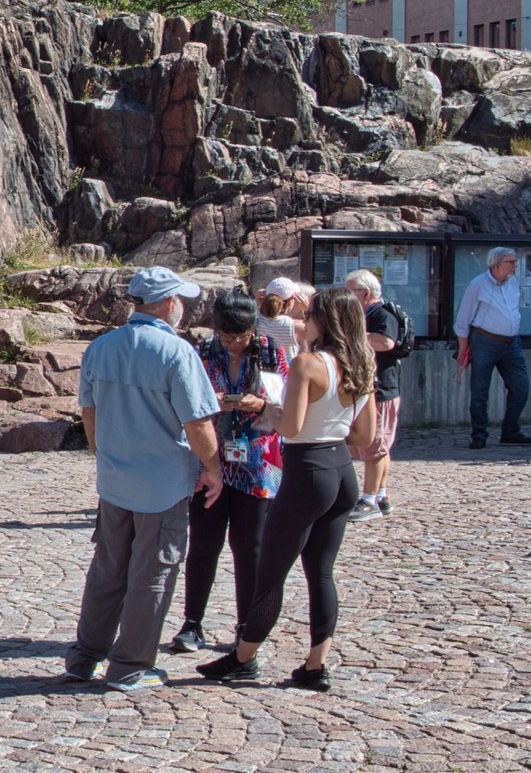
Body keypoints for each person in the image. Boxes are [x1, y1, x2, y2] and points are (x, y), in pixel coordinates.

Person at [198, 286, 376, 692]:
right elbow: (364, 435)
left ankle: (244, 657)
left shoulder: (308, 364)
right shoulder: (363, 363)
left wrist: (269, 409)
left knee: (271, 572)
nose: (303, 320)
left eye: (309, 313)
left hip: (307, 471)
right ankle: (316, 665)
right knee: (322, 573)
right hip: (340, 470)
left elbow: (290, 426)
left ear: (323, 320)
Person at [65, 267, 223, 692]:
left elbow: (89, 412)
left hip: (115, 480)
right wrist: (214, 468)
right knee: (153, 573)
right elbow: (198, 423)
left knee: (107, 569)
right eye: (181, 301)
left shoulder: (101, 347)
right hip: (163, 484)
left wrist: (105, 456)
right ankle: (130, 664)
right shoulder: (177, 353)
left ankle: (85, 657)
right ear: (169, 303)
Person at [169, 289, 286, 655]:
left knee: (249, 546)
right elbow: (185, 401)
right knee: (204, 542)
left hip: (258, 463)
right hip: (210, 459)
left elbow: (287, 405)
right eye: (228, 336)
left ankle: (247, 625)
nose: (235, 344)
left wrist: (262, 403)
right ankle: (192, 624)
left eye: (242, 336)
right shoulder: (202, 352)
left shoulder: (270, 352)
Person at [455, 247, 531, 450]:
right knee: (480, 391)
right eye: (511, 262)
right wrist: (463, 348)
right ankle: (479, 434)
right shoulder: (478, 285)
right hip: (485, 341)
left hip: (511, 343)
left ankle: (510, 431)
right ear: (497, 265)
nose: (515, 266)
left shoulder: (513, 283)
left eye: (515, 261)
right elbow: (464, 319)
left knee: (521, 387)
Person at [344, 271, 403, 521]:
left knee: (375, 445)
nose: (347, 296)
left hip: (380, 389)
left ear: (365, 293)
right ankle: (380, 495)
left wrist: (353, 337)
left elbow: (387, 342)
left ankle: (368, 501)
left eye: (350, 292)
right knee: (378, 446)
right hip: (368, 388)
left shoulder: (381, 313)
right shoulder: (365, 313)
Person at [255, 277, 303, 358]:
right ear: (290, 302)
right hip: (286, 369)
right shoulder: (294, 326)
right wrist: (306, 309)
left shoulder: (255, 321)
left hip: (262, 370)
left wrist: (257, 305)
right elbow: (316, 333)